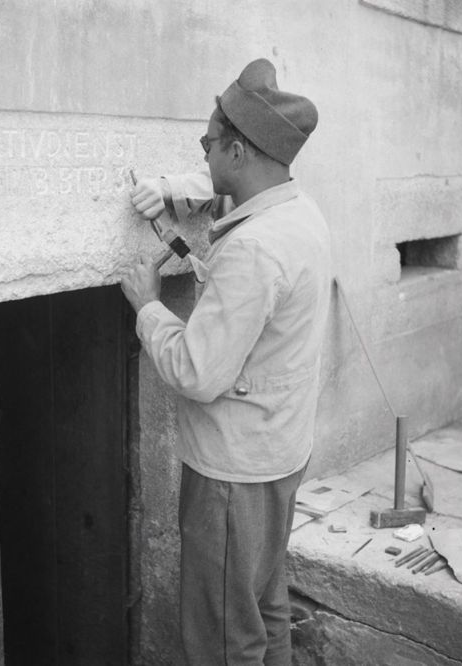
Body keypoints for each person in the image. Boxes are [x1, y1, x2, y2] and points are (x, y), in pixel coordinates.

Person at [121, 58, 332, 666]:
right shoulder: (298, 212)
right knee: (263, 610)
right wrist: (174, 190)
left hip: (232, 476)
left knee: (221, 638)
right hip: (278, 453)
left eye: (208, 144)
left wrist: (148, 306)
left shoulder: (255, 249)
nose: (204, 151)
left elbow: (197, 373)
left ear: (238, 151)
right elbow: (228, 201)